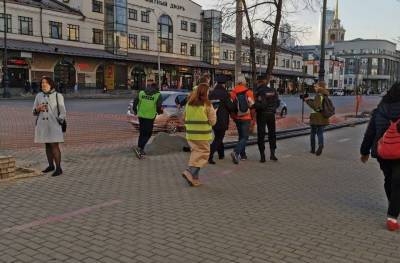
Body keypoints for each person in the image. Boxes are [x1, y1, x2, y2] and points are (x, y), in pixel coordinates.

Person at [360, 83, 400, 231]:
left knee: (389, 179)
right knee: (398, 182)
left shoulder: (380, 109)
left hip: (382, 151)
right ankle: (392, 215)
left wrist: (364, 151)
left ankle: (393, 204)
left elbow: (370, 132)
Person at [182, 83, 216, 187]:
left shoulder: (189, 104)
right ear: (206, 93)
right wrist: (214, 112)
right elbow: (212, 122)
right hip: (203, 135)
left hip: (191, 135)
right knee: (203, 156)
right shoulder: (208, 105)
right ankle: (189, 171)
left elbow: (184, 118)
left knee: (195, 155)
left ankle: (194, 179)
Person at [33, 76, 66, 177]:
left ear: (51, 84)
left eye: (46, 83)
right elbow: (33, 111)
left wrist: (58, 121)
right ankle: (51, 166)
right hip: (43, 125)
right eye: (42, 83)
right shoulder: (39, 96)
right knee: (47, 145)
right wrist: (38, 109)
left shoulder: (58, 95)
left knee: (54, 145)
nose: (44, 85)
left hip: (53, 125)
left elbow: (63, 112)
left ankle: (59, 168)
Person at [208, 80, 236, 164]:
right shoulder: (225, 94)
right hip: (222, 119)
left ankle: (221, 154)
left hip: (212, 118)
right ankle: (210, 154)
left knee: (218, 136)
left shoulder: (211, 94)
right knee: (219, 138)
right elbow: (230, 107)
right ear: (223, 85)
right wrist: (235, 104)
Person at [132, 83, 163, 159]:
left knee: (142, 132)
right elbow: (158, 106)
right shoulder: (158, 95)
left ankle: (140, 149)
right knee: (148, 133)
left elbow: (135, 102)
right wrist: (159, 112)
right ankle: (139, 148)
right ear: (156, 88)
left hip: (141, 115)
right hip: (150, 117)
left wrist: (135, 111)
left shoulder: (142, 92)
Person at [253, 76, 280, 162]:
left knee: (261, 135)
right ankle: (272, 154)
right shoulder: (273, 90)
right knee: (272, 134)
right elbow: (278, 102)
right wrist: (273, 109)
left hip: (262, 115)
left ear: (259, 82)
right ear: (265, 81)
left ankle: (262, 156)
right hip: (271, 115)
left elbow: (262, 105)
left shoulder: (258, 91)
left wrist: (252, 105)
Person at [230, 75, 254, 164]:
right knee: (245, 137)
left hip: (237, 118)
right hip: (246, 117)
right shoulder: (249, 92)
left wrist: (233, 117)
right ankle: (236, 152)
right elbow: (252, 106)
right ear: (244, 82)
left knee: (241, 136)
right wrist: (253, 119)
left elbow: (231, 107)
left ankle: (243, 155)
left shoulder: (232, 92)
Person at [304, 81, 330, 156]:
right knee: (320, 133)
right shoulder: (325, 94)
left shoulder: (319, 95)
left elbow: (316, 107)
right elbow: (319, 104)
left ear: (320, 87)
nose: (315, 88)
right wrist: (311, 99)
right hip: (323, 117)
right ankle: (321, 145)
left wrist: (307, 101)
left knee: (313, 133)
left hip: (316, 117)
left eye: (316, 86)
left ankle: (312, 149)